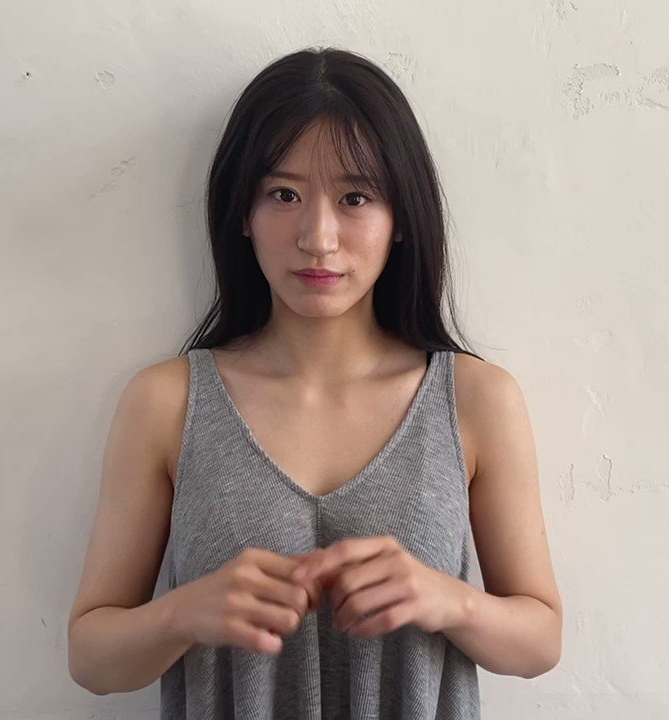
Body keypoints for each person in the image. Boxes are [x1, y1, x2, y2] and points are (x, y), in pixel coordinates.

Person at [66, 46, 562, 719]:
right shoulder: (166, 402)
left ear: (401, 219)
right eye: (284, 195)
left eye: (356, 197)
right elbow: (91, 658)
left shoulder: (476, 400)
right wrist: (183, 612)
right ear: (243, 213)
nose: (318, 237)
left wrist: (449, 600)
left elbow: (540, 641)